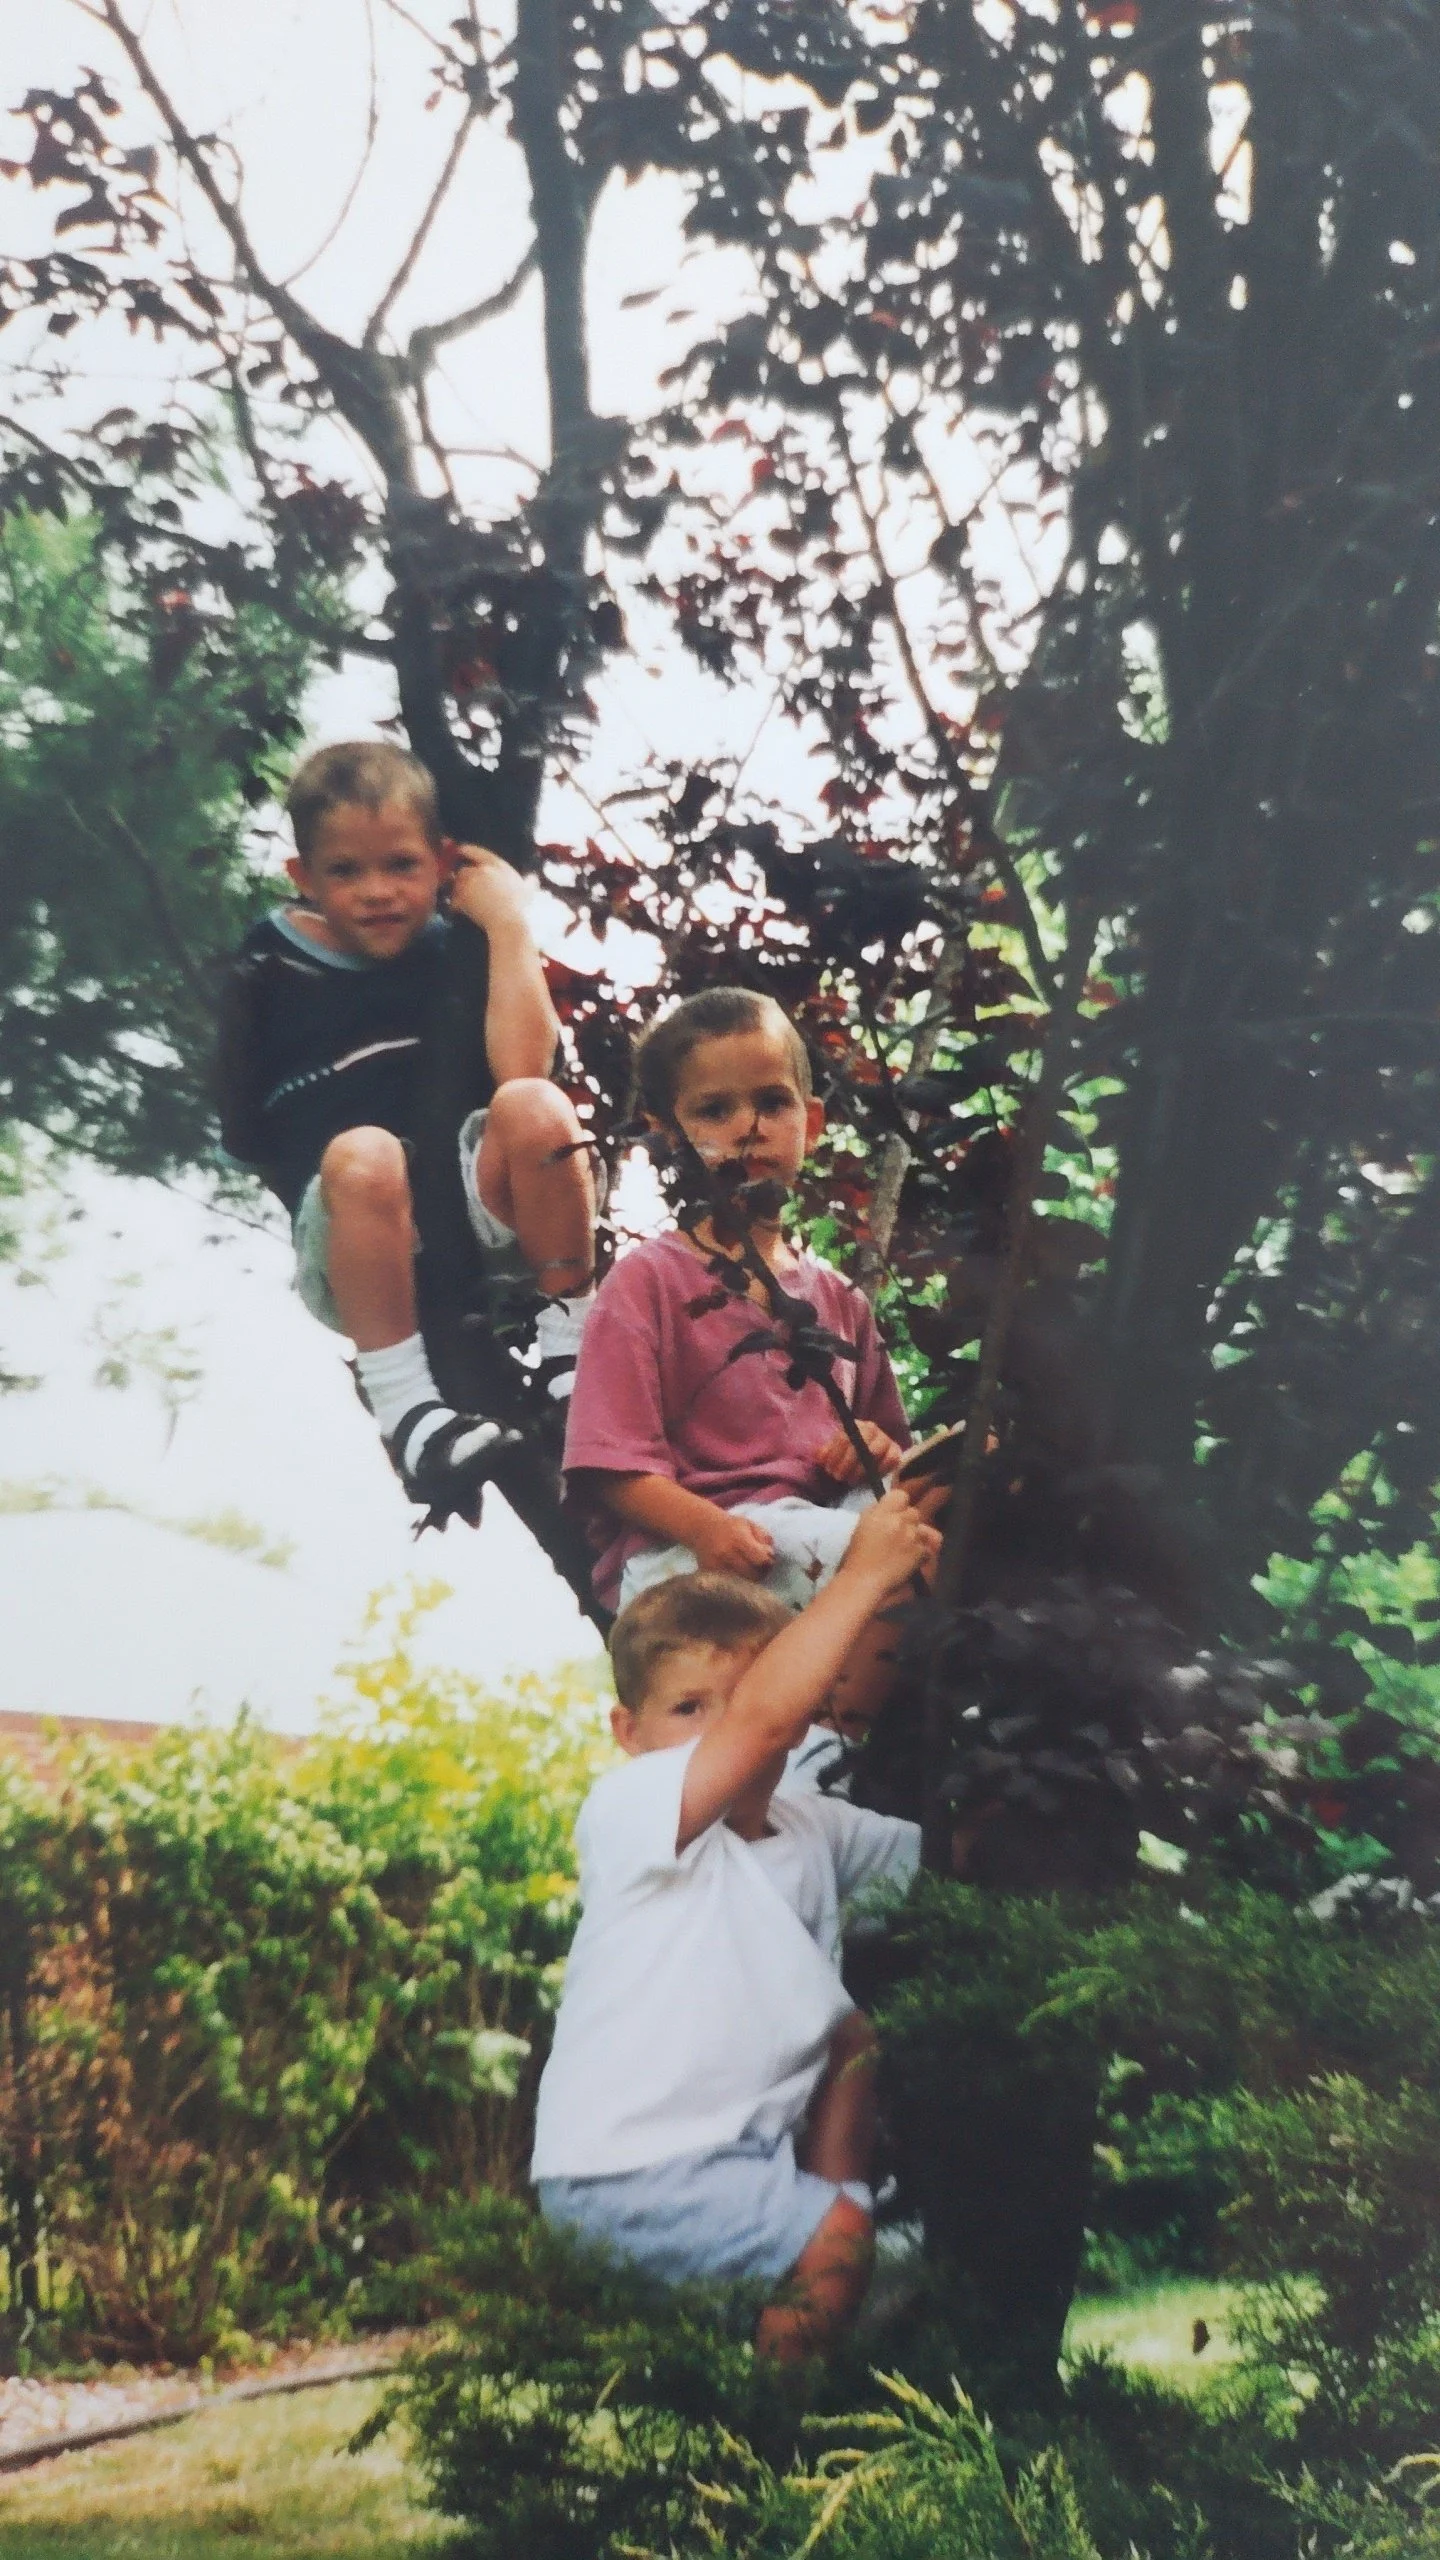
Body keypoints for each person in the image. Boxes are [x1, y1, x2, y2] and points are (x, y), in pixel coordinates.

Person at [530, 1490, 942, 2364]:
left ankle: (826, 2270)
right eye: (688, 1708)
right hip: (628, 2167)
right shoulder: (634, 1809)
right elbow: (762, 1726)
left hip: (735, 2165)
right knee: (834, 2249)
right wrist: (865, 1573)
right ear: (629, 1732)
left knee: (852, 2041)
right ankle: (771, 2431)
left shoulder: (813, 1829)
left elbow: (948, 1869)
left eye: (742, 1697)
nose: (720, 1729)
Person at [217, 739, 595, 1520]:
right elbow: (244, 1129)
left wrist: (507, 924)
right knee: (366, 1153)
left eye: (401, 865)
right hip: (356, 1232)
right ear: (302, 876)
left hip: (475, 1205)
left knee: (539, 1107)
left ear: (443, 862)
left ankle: (573, 1353)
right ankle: (410, 1412)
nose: (376, 892)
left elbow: (524, 1068)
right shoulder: (269, 962)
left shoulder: (456, 949)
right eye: (345, 871)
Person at [563, 985, 912, 1620]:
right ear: (667, 1137)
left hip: (817, 1533)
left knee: (938, 1508)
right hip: (690, 1552)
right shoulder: (647, 1283)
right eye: (715, 1110)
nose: (749, 1128)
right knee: (899, 1557)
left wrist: (873, 1445)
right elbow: (607, 1466)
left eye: (772, 1102)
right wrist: (706, 1528)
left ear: (810, 1123)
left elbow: (888, 1451)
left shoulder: (840, 1301)